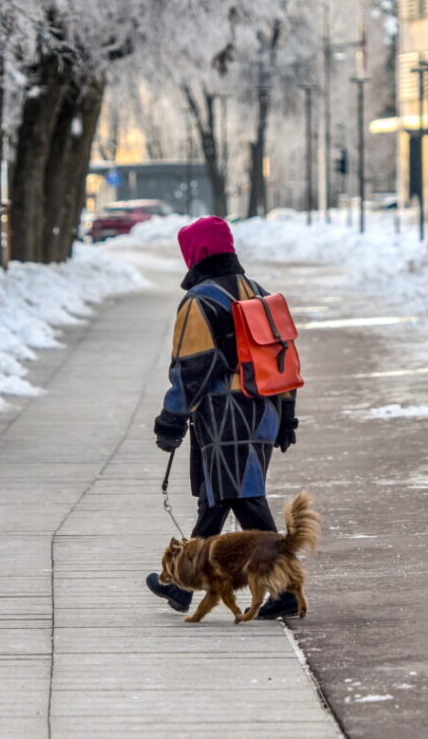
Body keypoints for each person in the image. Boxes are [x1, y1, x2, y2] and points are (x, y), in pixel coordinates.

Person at [146, 216, 300, 620]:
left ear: (194, 254)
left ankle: (282, 587)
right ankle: (179, 588)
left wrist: (171, 420)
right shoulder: (259, 293)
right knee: (217, 498)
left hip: (225, 415)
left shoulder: (200, 300)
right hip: (263, 409)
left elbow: (191, 369)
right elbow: (284, 359)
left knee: (244, 497)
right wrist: (286, 416)